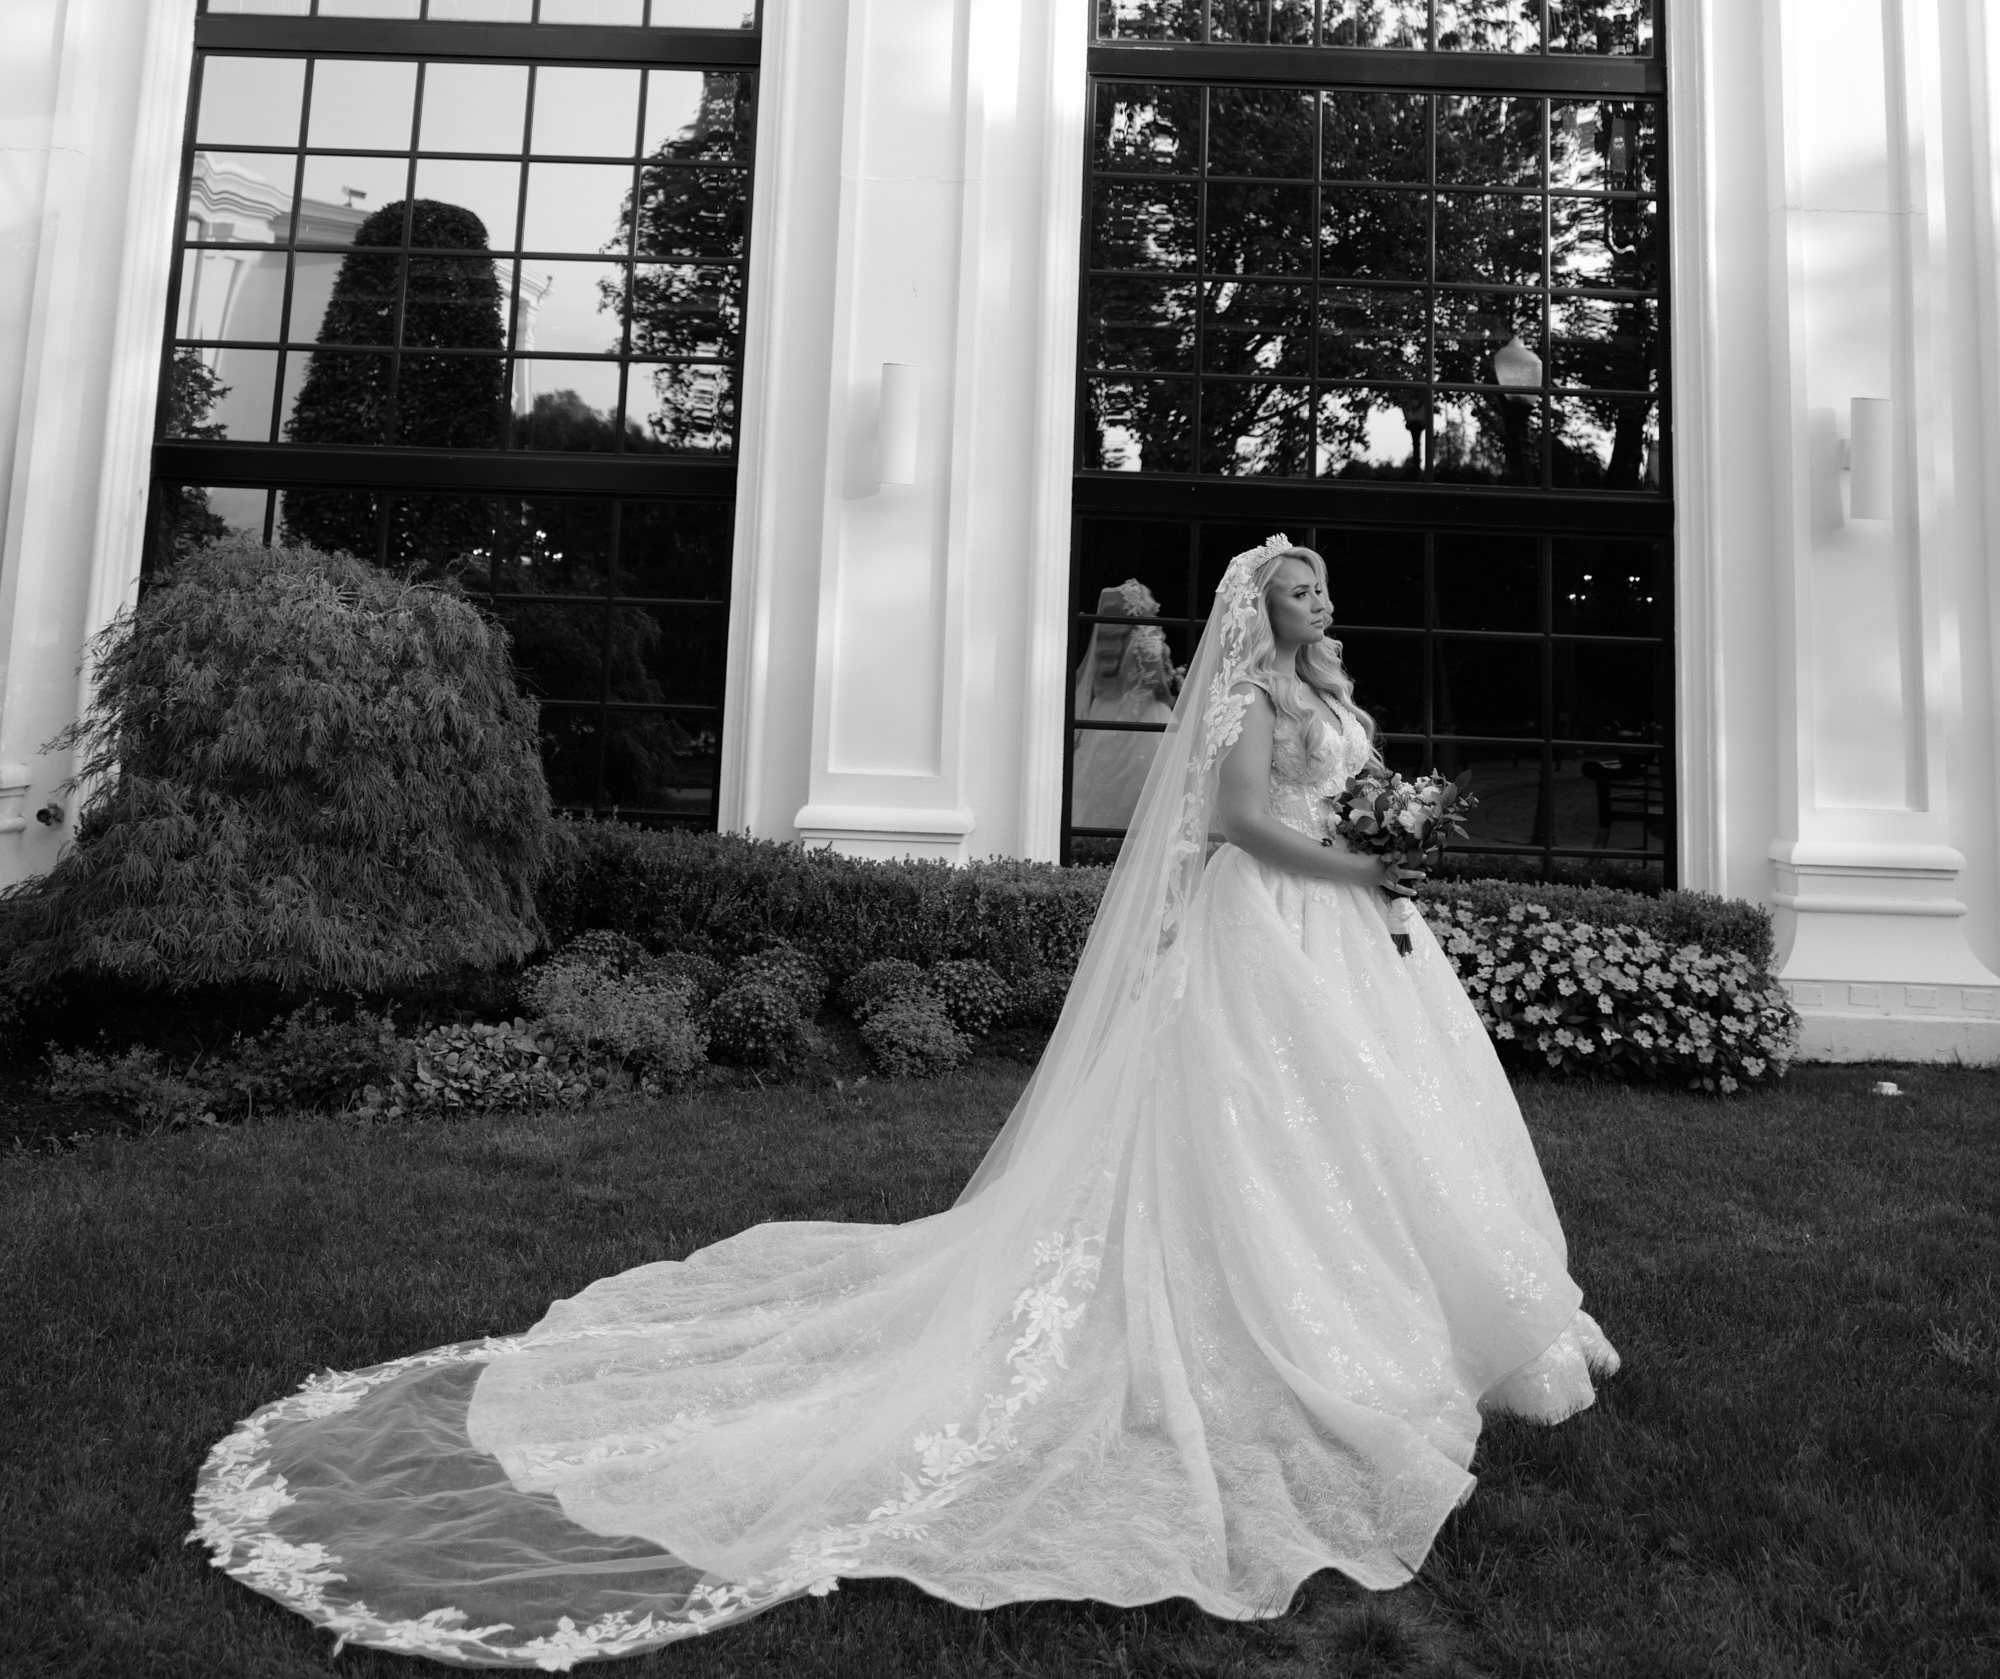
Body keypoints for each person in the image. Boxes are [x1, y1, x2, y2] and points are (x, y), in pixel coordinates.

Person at [193, 535, 1616, 1666]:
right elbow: (1243, 823)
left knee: (1373, 1124)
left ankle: (1431, 1314)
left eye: (1317, 589)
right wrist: (1355, 863)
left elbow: (1328, 794)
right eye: (1289, 589)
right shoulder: (1245, 699)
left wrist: (1386, 840)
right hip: (1279, 924)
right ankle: (1273, 1318)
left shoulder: (1333, 693)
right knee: (1267, 1128)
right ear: (1257, 609)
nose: (1309, 604)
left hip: (1360, 941)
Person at [1069, 575, 1179, 832]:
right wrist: (1172, 692)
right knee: (1150, 778)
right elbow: (1155, 683)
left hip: (1108, 710)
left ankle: (1098, 837)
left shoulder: (1115, 642)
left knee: (1105, 775)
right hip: (1148, 714)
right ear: (1137, 605)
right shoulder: (1147, 638)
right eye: (1150, 597)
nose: (1157, 602)